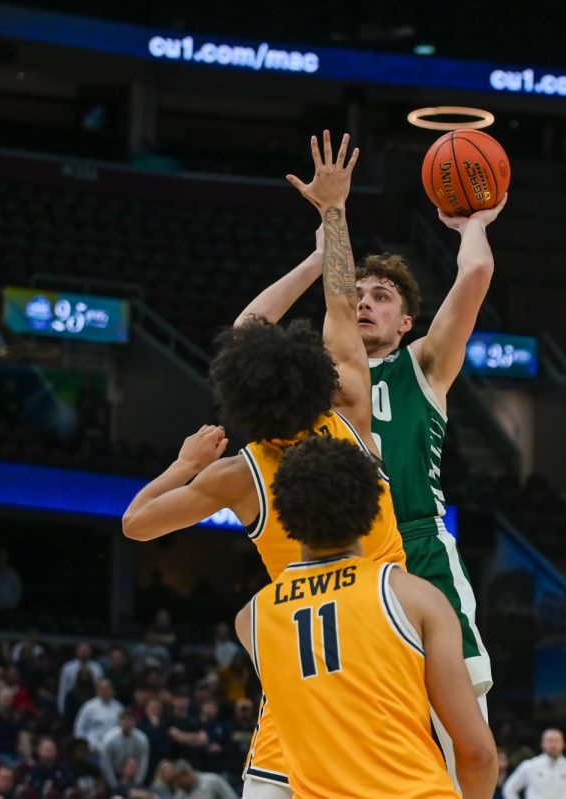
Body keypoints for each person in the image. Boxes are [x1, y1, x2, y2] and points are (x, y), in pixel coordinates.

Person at [124, 131, 406, 799]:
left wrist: (181, 462)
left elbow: (136, 524)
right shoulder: (351, 418)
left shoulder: (237, 475)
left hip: (296, 691)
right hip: (384, 664)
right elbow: (341, 304)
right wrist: (332, 218)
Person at [237, 140, 507, 787]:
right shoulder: (323, 382)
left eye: (381, 294)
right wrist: (319, 255)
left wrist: (473, 223)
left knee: (461, 740)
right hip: (342, 569)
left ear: (408, 318)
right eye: (355, 290)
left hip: (415, 544)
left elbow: (472, 278)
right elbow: (246, 333)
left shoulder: (424, 367)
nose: (363, 301)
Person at [234, 436, 497, 799]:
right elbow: (478, 754)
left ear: (284, 514)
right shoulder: (416, 597)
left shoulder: (252, 618)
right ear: (373, 510)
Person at [501, 729, 566, 799]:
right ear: (542, 744)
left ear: (563, 744)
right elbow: (509, 789)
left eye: (557, 741)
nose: (553, 745)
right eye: (549, 741)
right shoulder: (529, 766)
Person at [101, 712, 149, 790]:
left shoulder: (142, 739)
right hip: (114, 773)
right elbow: (106, 764)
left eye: (129, 719)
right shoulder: (109, 739)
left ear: (134, 722)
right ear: (119, 722)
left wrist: (137, 783)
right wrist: (114, 786)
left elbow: (143, 763)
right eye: (123, 719)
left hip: (133, 775)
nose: (126, 722)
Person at [73, 679, 123, 752]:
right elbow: (80, 728)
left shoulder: (119, 708)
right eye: (102, 689)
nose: (105, 691)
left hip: (113, 750)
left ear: (112, 690)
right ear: (97, 691)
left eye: (107, 688)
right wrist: (84, 747)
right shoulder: (89, 707)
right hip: (94, 749)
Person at [56, 643, 103, 715]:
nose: (84, 653)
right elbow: (63, 689)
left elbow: (99, 688)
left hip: (91, 700)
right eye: (82, 651)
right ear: (77, 651)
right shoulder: (68, 668)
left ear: (90, 652)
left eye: (86, 651)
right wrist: (61, 709)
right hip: (73, 701)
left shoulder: (96, 668)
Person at [169, 759, 236, 799]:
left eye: (177, 780)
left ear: (186, 774)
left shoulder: (213, 781)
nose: (176, 784)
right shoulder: (180, 794)